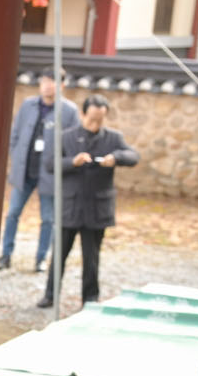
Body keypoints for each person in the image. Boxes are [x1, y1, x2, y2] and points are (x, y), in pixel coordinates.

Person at [40, 94, 139, 310]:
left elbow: (134, 156)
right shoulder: (66, 137)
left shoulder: (113, 138)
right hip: (70, 205)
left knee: (91, 257)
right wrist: (72, 162)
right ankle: (50, 295)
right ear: (83, 114)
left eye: (100, 120)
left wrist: (116, 158)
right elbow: (49, 164)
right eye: (92, 119)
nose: (95, 124)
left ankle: (90, 298)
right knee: (59, 255)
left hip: (97, 207)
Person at [1, 70, 80, 273]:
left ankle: (41, 258)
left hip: (50, 173)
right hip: (25, 169)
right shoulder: (28, 105)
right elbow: (15, 134)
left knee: (48, 219)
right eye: (44, 81)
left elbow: (73, 143)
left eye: (52, 82)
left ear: (61, 85)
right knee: (13, 213)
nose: (47, 86)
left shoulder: (69, 111)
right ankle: (6, 254)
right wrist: (16, 155)